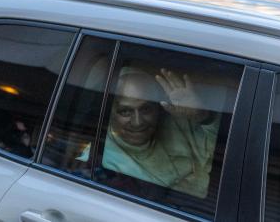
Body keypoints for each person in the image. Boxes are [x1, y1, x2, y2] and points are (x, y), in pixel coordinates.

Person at [86, 66, 219, 199]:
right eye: (125, 111)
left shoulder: (178, 122)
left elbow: (219, 152)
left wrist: (202, 116)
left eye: (146, 109)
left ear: (158, 109)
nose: (137, 122)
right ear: (110, 113)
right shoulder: (100, 155)